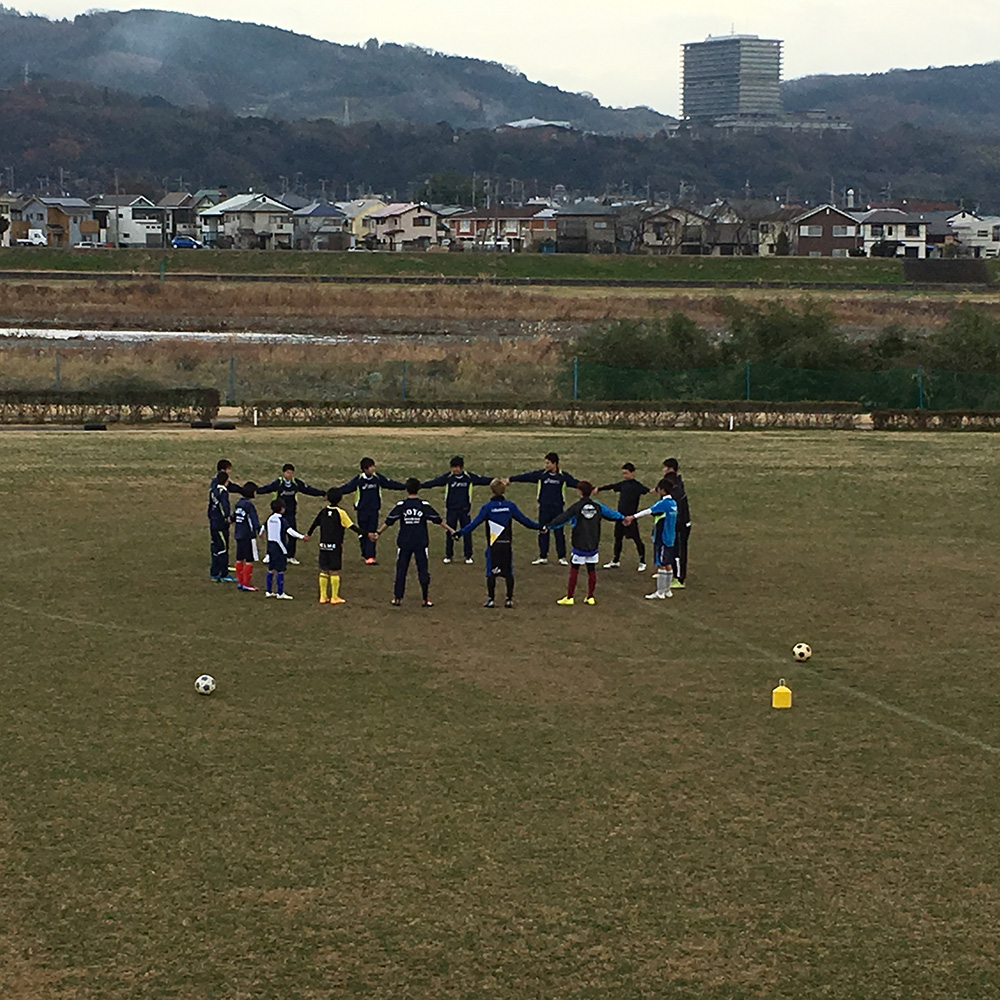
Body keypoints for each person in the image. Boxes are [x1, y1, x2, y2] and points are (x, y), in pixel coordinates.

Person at [454, 478, 540, 608]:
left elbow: (474, 524)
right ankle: (509, 599)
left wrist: (460, 533)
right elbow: (525, 521)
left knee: (491, 572)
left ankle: (491, 599)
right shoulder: (510, 506)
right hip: (506, 544)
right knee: (508, 572)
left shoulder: (487, 508)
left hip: (493, 545)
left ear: (492, 491)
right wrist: (540, 527)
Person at [371, 478, 450, 607]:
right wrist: (451, 531)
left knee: (401, 570)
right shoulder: (424, 505)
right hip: (420, 542)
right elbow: (438, 520)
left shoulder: (401, 505)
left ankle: (397, 597)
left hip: (404, 542)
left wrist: (378, 533)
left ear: (407, 489)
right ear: (418, 489)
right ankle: (425, 598)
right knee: (423, 570)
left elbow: (389, 521)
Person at [543, 481, 624, 606]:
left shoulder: (576, 507)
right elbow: (611, 514)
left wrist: (548, 526)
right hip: (593, 543)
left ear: (580, 492)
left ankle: (570, 597)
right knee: (591, 570)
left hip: (579, 543)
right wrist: (623, 518)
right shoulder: (598, 506)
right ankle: (590, 596)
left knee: (574, 569)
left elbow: (563, 519)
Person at [506, 452, 578, 565]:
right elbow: (526, 477)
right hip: (544, 508)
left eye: (548, 463)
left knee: (559, 532)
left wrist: (591, 488)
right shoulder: (541, 475)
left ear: (555, 464)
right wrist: (511, 479)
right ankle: (543, 556)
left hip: (558, 509)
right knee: (543, 530)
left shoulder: (563, 477)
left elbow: (576, 483)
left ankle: (561, 557)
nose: (546, 465)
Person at [421, 455, 493, 564]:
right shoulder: (448, 478)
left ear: (461, 467)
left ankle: (468, 555)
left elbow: (483, 480)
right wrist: (421, 486)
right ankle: (449, 555)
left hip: (464, 510)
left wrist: (496, 481)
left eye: (457, 467)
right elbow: (434, 482)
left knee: (467, 532)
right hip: (451, 510)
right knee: (450, 531)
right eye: (453, 467)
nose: (455, 469)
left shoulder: (468, 477)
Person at [339, 457, 407, 565]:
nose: (373, 468)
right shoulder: (359, 480)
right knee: (362, 533)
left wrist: (405, 486)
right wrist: (332, 493)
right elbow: (346, 488)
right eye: (371, 467)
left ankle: (370, 556)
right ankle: (364, 553)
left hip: (374, 510)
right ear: (365, 469)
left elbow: (390, 484)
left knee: (372, 532)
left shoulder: (377, 478)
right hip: (362, 510)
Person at [257, 464, 326, 565]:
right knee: (275, 534)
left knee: (292, 534)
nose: (289, 475)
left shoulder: (296, 483)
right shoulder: (278, 483)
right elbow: (266, 489)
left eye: (291, 473)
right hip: (278, 513)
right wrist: (255, 491)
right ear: (283, 473)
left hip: (290, 513)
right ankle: (270, 554)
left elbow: (309, 490)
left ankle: (290, 556)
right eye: (288, 472)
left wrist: (322, 493)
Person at [306, 488, 363, 605]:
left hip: (323, 545)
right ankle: (334, 597)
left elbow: (314, 524)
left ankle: (322, 596)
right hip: (335, 546)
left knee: (323, 570)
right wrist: (367, 534)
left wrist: (308, 534)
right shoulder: (340, 512)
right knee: (334, 571)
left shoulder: (323, 511)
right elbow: (352, 527)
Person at [625, 478, 679, 600]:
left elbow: (648, 511)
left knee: (661, 564)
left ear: (663, 490)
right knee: (668, 563)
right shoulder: (674, 503)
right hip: (671, 537)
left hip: (662, 538)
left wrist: (632, 517)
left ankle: (660, 592)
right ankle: (667, 590)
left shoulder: (663, 504)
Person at [598, 462, 650, 572]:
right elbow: (612, 486)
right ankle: (616, 560)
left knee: (637, 540)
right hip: (620, 517)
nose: (625, 476)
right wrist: (599, 489)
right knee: (618, 539)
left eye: (626, 473)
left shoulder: (637, 486)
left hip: (631, 518)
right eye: (623, 474)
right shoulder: (623, 484)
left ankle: (642, 561)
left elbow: (649, 491)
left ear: (632, 473)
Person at [265, 499, 308, 600]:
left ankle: (269, 591)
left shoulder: (270, 518)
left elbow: (263, 528)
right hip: (279, 547)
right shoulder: (282, 520)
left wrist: (261, 533)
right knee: (280, 570)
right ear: (282, 509)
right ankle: (280, 593)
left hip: (270, 546)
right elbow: (290, 531)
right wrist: (302, 537)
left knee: (271, 569)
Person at [663, 457, 691, 589]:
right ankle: (671, 571)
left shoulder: (674, 486)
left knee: (679, 552)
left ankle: (680, 579)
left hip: (680, 525)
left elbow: (678, 507)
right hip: (678, 523)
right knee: (673, 549)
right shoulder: (677, 482)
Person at [207, 469, 237, 583]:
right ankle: (223, 573)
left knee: (215, 547)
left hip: (213, 523)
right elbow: (224, 506)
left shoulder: (213, 490)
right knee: (223, 549)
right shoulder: (223, 492)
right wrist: (228, 518)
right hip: (220, 525)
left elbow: (211, 506)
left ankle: (214, 573)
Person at [233, 481, 263, 592]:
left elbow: (234, 516)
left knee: (239, 559)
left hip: (238, 534)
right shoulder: (249, 505)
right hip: (247, 535)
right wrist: (259, 530)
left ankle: (240, 582)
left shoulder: (239, 503)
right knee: (249, 559)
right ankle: (246, 583)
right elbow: (253, 520)